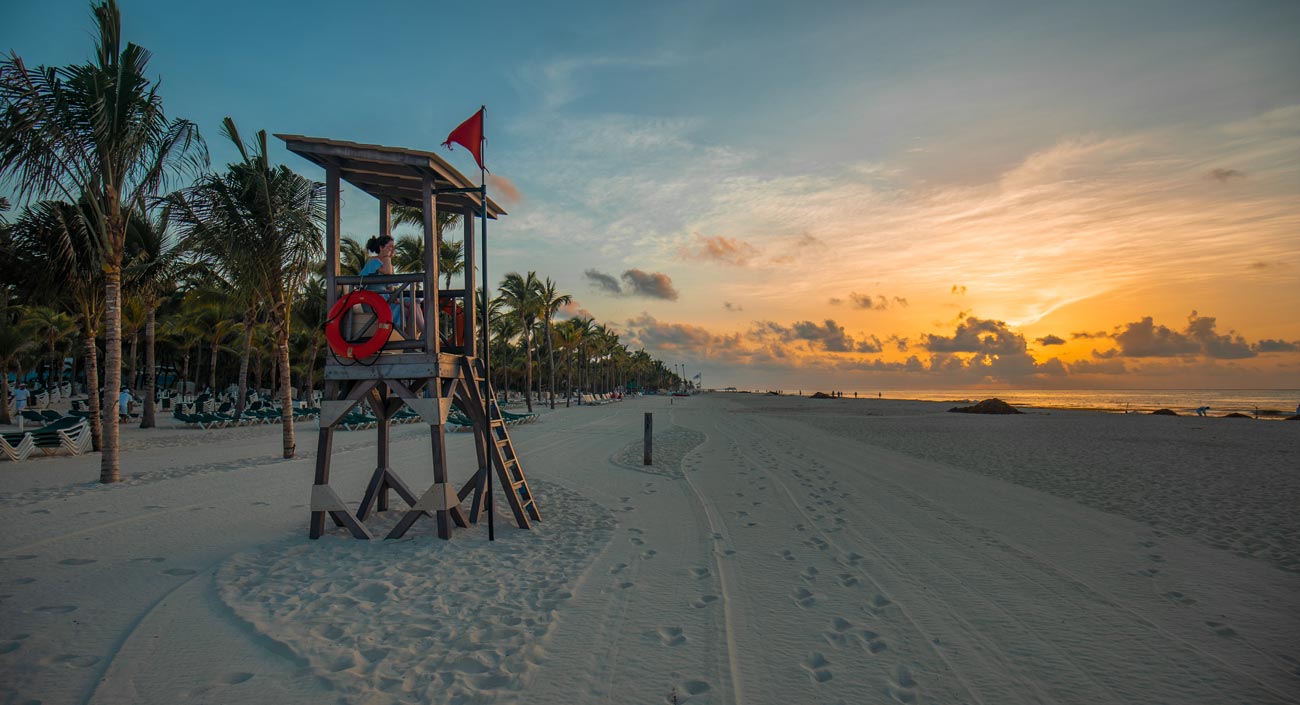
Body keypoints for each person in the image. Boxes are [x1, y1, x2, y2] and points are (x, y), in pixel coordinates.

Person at [359, 235, 423, 334]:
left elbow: (390, 288)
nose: (393, 249)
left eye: (394, 247)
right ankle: (424, 332)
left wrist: (395, 298)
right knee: (409, 307)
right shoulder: (373, 261)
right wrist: (386, 257)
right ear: (381, 248)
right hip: (374, 302)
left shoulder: (388, 264)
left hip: (386, 299)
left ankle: (411, 339)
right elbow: (387, 273)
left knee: (413, 305)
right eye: (390, 247)